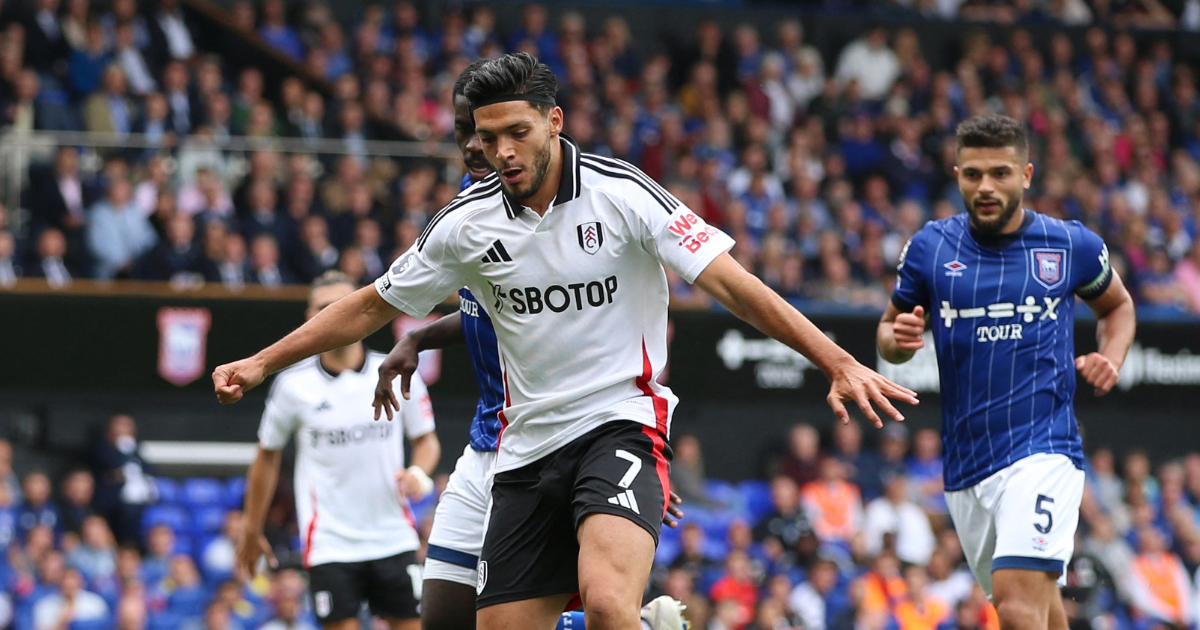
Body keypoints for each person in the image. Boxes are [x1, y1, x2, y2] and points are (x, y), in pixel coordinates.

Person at [213, 52, 915, 630]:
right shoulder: (466, 223)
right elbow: (368, 305)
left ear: (554, 121)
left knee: (609, 604)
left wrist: (837, 358)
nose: (502, 152)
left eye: (516, 132)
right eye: (489, 139)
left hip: (621, 424)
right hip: (521, 449)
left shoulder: (623, 194)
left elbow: (732, 284)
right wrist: (263, 361)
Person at [372, 59, 687, 630]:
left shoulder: (562, 199)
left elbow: (565, 307)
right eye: (472, 134)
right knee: (445, 621)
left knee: (591, 603)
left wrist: (634, 466)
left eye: (495, 134)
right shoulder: (470, 216)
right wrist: (420, 335)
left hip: (563, 432)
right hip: (490, 441)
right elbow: (487, 311)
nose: (479, 146)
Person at [878, 114, 1137, 630]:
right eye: (973, 174)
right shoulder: (930, 248)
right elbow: (888, 332)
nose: (986, 186)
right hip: (966, 464)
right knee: (1034, 606)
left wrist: (1112, 356)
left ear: (1026, 175)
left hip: (1044, 449)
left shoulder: (1070, 245)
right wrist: (899, 340)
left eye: (1000, 172)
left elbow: (1118, 307)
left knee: (1019, 608)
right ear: (957, 176)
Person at [236, 270, 440, 630]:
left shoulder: (394, 369)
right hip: (330, 544)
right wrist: (252, 529)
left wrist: (419, 473)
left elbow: (426, 440)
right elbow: (267, 456)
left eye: (343, 306)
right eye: (323, 308)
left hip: (393, 536)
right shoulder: (292, 386)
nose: (333, 314)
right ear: (309, 317)